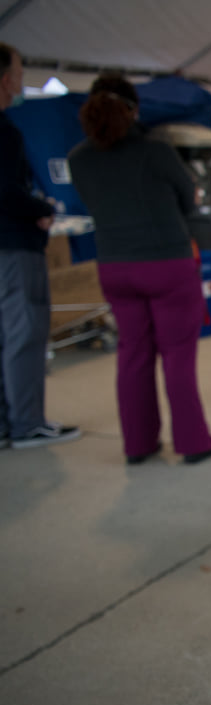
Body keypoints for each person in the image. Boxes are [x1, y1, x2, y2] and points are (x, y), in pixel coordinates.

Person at [68, 74, 211, 465]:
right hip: (166, 263)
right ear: (134, 109)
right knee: (177, 356)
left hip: (115, 266)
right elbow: (189, 203)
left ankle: (137, 444)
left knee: (132, 354)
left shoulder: (78, 159)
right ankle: (192, 443)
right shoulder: (156, 151)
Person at [0, 42, 80, 450]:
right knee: (24, 331)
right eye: (16, 73)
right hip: (13, 247)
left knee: (8, 333)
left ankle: (9, 421)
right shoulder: (5, 131)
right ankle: (26, 422)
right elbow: (6, 191)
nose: (20, 82)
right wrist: (41, 208)